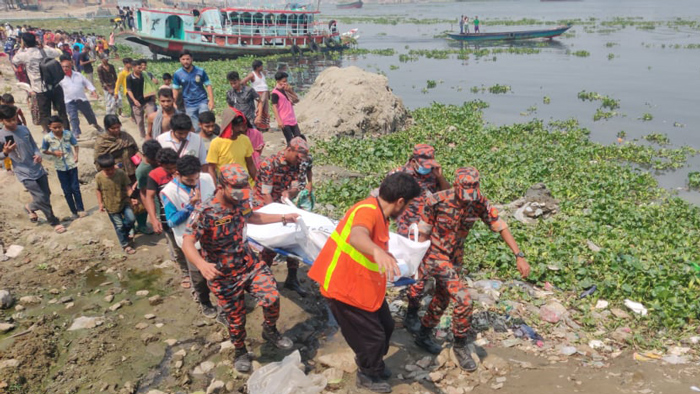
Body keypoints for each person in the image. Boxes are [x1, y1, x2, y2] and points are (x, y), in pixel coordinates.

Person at [308, 172, 421, 393]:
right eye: (407, 205)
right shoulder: (367, 211)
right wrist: (377, 251)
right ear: (400, 201)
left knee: (387, 326)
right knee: (372, 337)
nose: (407, 210)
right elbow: (357, 236)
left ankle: (375, 364)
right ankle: (368, 374)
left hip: (363, 286)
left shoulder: (380, 214)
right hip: (343, 288)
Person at [410, 167, 530, 371]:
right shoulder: (437, 201)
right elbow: (423, 232)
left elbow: (499, 225)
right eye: (464, 193)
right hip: (435, 256)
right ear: (456, 186)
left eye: (472, 193)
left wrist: (519, 256)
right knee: (464, 299)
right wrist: (417, 265)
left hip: (455, 257)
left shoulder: (478, 201)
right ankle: (460, 345)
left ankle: (423, 333)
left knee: (443, 297)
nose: (467, 199)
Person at [182, 163, 298, 373]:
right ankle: (240, 350)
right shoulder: (205, 211)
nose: (241, 191)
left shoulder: (242, 199)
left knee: (271, 297)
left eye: (244, 186)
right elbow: (187, 241)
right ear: (222, 185)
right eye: (236, 187)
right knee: (236, 319)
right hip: (223, 274)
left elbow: (252, 216)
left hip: (249, 264)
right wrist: (201, 264)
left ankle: (270, 330)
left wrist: (283, 217)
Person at [160, 155, 217, 318]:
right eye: (190, 180)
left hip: (212, 235)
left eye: (196, 178)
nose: (194, 182)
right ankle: (205, 302)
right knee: (198, 275)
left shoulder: (206, 179)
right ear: (177, 174)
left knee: (218, 269)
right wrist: (192, 206)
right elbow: (171, 222)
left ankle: (224, 299)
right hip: (190, 241)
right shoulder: (169, 192)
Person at [254, 136, 309, 296]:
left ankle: (292, 278)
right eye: (297, 157)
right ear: (289, 149)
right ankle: (261, 280)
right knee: (273, 239)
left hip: (282, 202)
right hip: (264, 203)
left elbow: (296, 186)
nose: (298, 161)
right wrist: (278, 218)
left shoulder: (296, 164)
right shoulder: (268, 164)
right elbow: (266, 194)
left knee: (295, 236)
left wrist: (290, 192)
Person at [0, 105, 66, 233]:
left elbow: (34, 145)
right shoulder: (1, 136)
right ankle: (53, 221)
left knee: (46, 195)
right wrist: (6, 152)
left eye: (14, 119)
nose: (13, 123)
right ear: (2, 120)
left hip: (37, 168)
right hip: (23, 172)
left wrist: (38, 155)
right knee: (41, 197)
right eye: (9, 120)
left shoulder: (24, 129)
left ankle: (30, 207)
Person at [145, 148, 191, 287]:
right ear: (160, 164)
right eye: (168, 168)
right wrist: (153, 218)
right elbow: (150, 197)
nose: (172, 171)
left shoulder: (183, 171)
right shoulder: (155, 175)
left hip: (189, 215)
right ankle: (185, 273)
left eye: (174, 167)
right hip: (168, 218)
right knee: (177, 248)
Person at [12, 32, 69, 133]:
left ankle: (49, 134)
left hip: (40, 89)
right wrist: (44, 46)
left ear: (24, 42)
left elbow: (14, 60)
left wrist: (21, 47)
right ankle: (67, 133)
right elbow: (57, 53)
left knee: (45, 114)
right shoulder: (44, 51)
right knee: (62, 112)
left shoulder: (24, 55)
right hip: (55, 86)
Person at [41, 115, 85, 218]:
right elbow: (44, 150)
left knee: (76, 188)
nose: (57, 129)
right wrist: (53, 153)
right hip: (60, 167)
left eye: (59, 127)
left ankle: (81, 209)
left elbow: (76, 145)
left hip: (71, 165)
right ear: (49, 127)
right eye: (55, 127)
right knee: (67, 190)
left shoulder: (68, 134)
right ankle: (73, 211)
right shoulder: (47, 138)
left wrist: (76, 155)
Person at [96, 153, 137, 254]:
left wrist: (132, 198)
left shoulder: (120, 173)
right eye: (107, 170)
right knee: (119, 226)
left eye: (111, 169)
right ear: (102, 169)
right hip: (110, 205)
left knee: (131, 219)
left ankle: (127, 233)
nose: (110, 172)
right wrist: (100, 203)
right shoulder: (99, 177)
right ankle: (125, 245)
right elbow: (98, 190)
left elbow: (127, 186)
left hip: (124, 201)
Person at [206, 108, 256, 186]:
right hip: (227, 186)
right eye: (237, 126)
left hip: (245, 184)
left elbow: (250, 164)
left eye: (241, 126)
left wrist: (258, 183)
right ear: (229, 126)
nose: (241, 129)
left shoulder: (245, 139)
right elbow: (211, 168)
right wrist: (214, 188)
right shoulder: (216, 143)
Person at [59, 55, 104, 138]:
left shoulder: (78, 75)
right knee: (73, 117)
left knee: (89, 114)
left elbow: (87, 83)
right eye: (63, 67)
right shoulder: (60, 78)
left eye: (67, 67)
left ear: (71, 66)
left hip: (82, 99)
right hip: (69, 101)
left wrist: (93, 91)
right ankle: (76, 133)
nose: (65, 68)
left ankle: (96, 125)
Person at [172, 50, 214, 132]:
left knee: (205, 120)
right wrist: (174, 102)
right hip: (189, 103)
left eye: (187, 59)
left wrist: (211, 101)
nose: (186, 61)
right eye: (183, 59)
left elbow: (208, 85)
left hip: (202, 100)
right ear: (180, 60)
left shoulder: (200, 71)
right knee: (195, 127)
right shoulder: (177, 74)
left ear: (191, 59)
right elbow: (175, 89)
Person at [94, 115, 140, 180]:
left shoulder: (125, 136)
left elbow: (135, 149)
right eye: (113, 128)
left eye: (118, 127)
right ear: (107, 128)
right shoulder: (102, 141)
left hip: (132, 172)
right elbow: (98, 160)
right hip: (115, 174)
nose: (116, 130)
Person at [134, 140, 161, 235]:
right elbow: (144, 194)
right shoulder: (141, 171)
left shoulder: (161, 160)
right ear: (144, 155)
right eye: (154, 159)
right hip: (158, 206)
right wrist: (152, 216)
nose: (157, 161)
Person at [126, 59, 157, 138]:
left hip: (148, 100)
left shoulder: (145, 75)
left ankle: (152, 135)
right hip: (137, 101)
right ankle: (143, 136)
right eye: (139, 68)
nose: (141, 69)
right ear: (133, 67)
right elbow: (129, 90)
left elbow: (152, 84)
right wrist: (134, 100)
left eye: (142, 67)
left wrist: (153, 95)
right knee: (140, 121)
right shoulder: (129, 78)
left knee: (152, 117)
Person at [270, 71, 301, 144]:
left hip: (292, 119)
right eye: (283, 81)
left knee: (298, 138)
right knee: (290, 141)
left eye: (286, 81)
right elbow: (274, 107)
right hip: (284, 120)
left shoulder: (286, 90)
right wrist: (279, 121)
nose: (285, 83)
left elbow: (296, 99)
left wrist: (290, 91)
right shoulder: (275, 93)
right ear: (278, 81)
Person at [242, 59, 270, 131]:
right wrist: (250, 89)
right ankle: (257, 125)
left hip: (265, 93)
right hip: (258, 93)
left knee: (265, 110)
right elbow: (243, 81)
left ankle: (265, 126)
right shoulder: (252, 74)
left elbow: (265, 84)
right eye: (261, 66)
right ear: (257, 67)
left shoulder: (262, 73)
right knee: (258, 110)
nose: (262, 67)